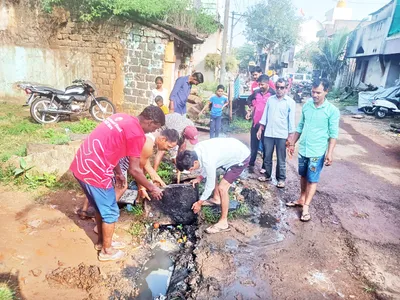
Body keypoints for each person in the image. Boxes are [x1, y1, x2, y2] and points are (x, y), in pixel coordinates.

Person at [70, 106, 165, 262]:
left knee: (101, 207)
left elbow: (111, 148)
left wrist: (119, 172)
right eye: (155, 127)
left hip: (81, 165)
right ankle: (107, 251)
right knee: (111, 211)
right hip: (95, 172)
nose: (153, 131)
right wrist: (152, 187)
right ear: (150, 121)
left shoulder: (121, 118)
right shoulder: (137, 134)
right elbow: (135, 170)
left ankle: (102, 243)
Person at [80, 128, 180, 232]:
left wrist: (156, 177)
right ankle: (103, 222)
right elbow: (138, 170)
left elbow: (145, 161)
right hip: (118, 162)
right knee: (119, 188)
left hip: (112, 158)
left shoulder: (148, 137)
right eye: (168, 146)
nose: (167, 149)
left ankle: (86, 210)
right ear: (163, 139)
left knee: (102, 186)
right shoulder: (148, 144)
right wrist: (143, 188)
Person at [286, 78, 340, 222]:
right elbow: (300, 126)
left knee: (312, 179)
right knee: (303, 175)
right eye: (313, 92)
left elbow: (333, 134)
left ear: (326, 92)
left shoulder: (332, 111)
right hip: (304, 149)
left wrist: (330, 153)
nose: (314, 95)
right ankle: (301, 199)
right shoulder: (307, 106)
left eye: (318, 92)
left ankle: (306, 207)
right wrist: (292, 143)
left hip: (317, 151)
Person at [176, 138, 250, 234]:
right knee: (211, 173)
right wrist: (200, 177)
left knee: (223, 188)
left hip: (241, 156)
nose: (191, 171)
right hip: (231, 149)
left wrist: (200, 202)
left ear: (195, 162)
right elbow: (208, 167)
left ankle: (223, 222)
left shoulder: (208, 160)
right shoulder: (197, 150)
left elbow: (209, 185)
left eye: (191, 169)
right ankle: (216, 199)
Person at [257, 78, 296, 188]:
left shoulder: (290, 102)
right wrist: (261, 129)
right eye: (277, 87)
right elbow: (265, 115)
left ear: (286, 88)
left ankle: (281, 179)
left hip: (282, 134)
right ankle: (267, 175)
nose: (279, 89)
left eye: (282, 87)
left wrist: (290, 137)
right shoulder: (270, 100)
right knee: (267, 156)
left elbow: (291, 120)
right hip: (269, 133)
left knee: (281, 158)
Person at [246, 74, 275, 173]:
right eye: (259, 84)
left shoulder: (273, 94)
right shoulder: (256, 92)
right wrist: (250, 109)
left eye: (262, 84)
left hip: (267, 126)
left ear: (267, 84)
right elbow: (249, 99)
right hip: (255, 123)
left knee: (266, 147)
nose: (260, 86)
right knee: (254, 145)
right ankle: (251, 163)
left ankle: (264, 167)